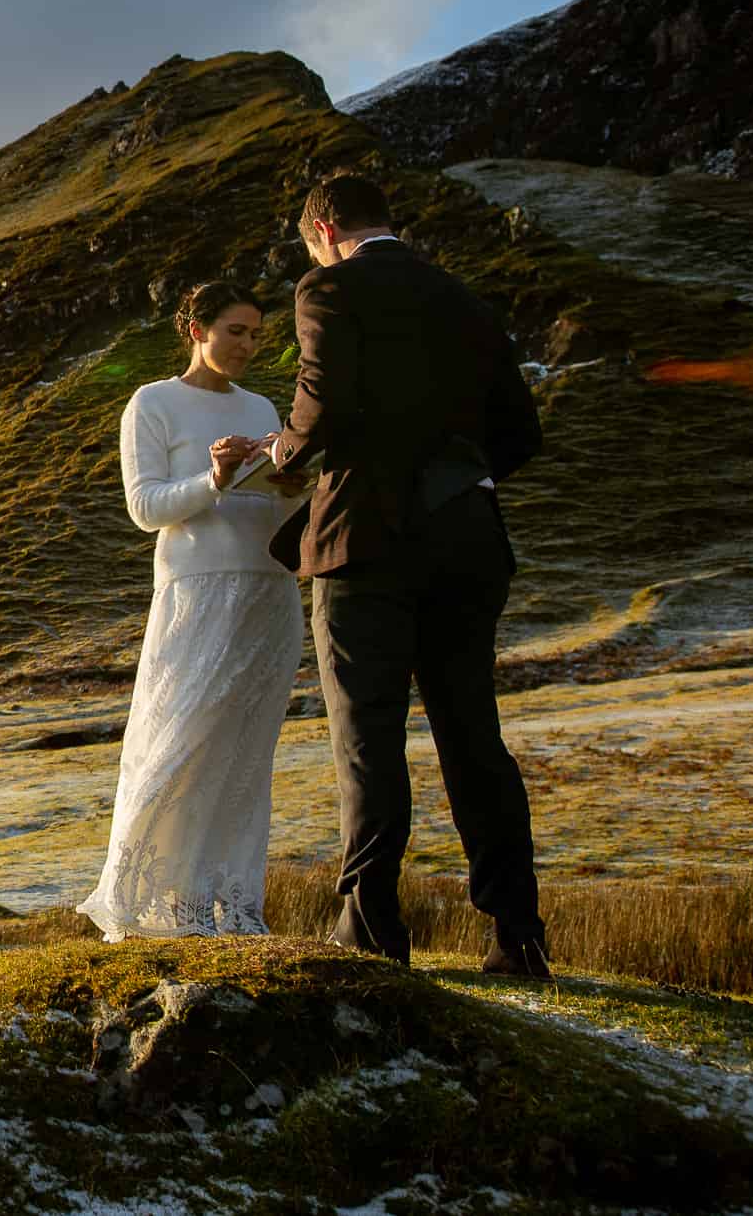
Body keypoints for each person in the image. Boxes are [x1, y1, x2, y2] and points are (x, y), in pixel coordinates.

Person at [268, 172, 550, 978]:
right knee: (473, 736)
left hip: (367, 540)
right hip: (468, 539)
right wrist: (453, 473)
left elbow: (321, 403)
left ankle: (371, 927)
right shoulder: (462, 297)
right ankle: (517, 935)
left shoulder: (327, 287)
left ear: (324, 229)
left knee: (368, 735)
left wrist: (282, 453)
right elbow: (521, 430)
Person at [78, 282, 309, 941]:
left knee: (243, 759)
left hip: (268, 591)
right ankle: (153, 904)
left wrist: (291, 487)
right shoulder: (152, 403)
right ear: (194, 329)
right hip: (196, 592)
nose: (247, 344)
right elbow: (145, 507)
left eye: (255, 333)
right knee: (174, 747)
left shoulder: (263, 404)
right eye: (235, 330)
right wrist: (213, 478)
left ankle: (229, 906)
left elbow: (275, 510)